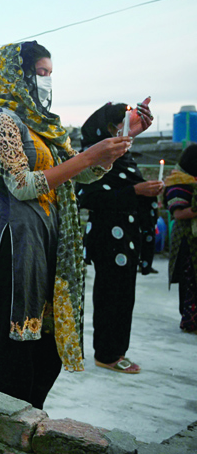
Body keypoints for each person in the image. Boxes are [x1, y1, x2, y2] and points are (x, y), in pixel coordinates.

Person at [0, 41, 151, 409]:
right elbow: (22, 185)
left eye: (51, 74)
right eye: (41, 73)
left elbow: (82, 175)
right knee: (16, 352)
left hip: (49, 240)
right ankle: (8, 428)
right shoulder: (1, 121)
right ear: (17, 75)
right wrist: (88, 155)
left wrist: (125, 134)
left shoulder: (46, 128)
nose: (47, 81)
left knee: (47, 350)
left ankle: (32, 419)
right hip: (17, 243)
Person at [77, 102, 163, 374]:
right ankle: (107, 353)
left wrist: (146, 192)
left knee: (124, 296)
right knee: (110, 295)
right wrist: (136, 191)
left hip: (127, 237)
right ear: (103, 129)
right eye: (115, 126)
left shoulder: (122, 156)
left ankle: (116, 350)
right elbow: (87, 197)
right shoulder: (95, 156)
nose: (120, 131)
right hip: (108, 239)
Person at [164, 143, 197, 333]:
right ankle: (190, 320)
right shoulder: (177, 181)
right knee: (189, 278)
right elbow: (178, 213)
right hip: (186, 240)